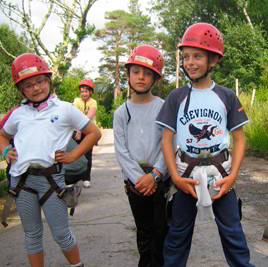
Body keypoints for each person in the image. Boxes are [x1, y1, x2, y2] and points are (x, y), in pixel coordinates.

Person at [155, 23, 255, 266]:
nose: (190, 62)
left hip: (220, 174)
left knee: (233, 232)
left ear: (213, 60)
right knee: (178, 234)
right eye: (186, 56)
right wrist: (175, 178)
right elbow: (166, 139)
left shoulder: (226, 95)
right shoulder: (176, 97)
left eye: (197, 56)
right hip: (186, 175)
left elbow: (239, 138)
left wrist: (233, 176)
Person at [0, 53, 101, 267]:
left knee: (61, 233)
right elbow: (2, 135)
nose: (36, 88)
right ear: (21, 89)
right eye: (28, 85)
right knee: (32, 235)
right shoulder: (18, 114)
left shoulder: (64, 109)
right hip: (21, 181)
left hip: (51, 182)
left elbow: (93, 133)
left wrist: (73, 155)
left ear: (48, 80)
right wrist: (5, 150)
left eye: (40, 81)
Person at [113, 44, 169, 267]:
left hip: (161, 182)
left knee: (162, 230)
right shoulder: (121, 113)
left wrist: (155, 175)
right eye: (136, 72)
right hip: (135, 184)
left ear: (155, 78)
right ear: (128, 75)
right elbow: (121, 151)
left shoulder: (164, 108)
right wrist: (140, 179)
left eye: (147, 73)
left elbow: (169, 145)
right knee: (144, 232)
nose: (141, 77)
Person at [73, 79, 97, 188]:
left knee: (87, 155)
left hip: (89, 132)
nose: (84, 94)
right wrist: (77, 131)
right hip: (76, 130)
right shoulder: (76, 101)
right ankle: (75, 177)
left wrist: (79, 131)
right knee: (75, 154)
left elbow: (88, 118)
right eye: (82, 91)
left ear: (90, 92)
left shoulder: (93, 102)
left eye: (86, 91)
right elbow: (74, 115)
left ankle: (86, 178)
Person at [0, 106, 19, 189]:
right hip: (17, 164)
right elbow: (1, 133)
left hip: (51, 172)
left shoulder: (59, 109)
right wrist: (6, 152)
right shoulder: (16, 112)